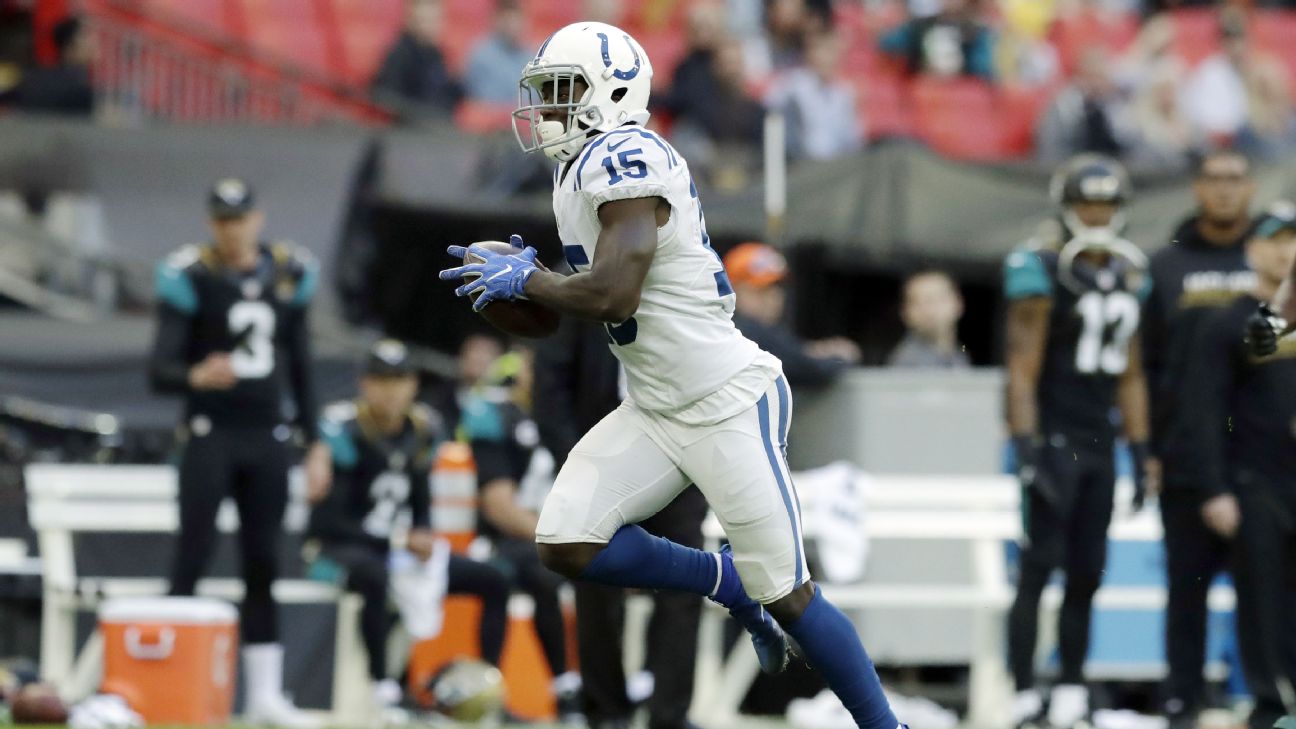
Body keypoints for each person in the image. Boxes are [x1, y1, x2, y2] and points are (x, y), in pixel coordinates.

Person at [441, 21, 905, 729]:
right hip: (655, 406)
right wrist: (504, 296)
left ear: (614, 92)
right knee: (566, 542)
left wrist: (531, 279)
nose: (548, 109)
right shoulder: (579, 172)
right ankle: (724, 580)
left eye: (562, 92)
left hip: (725, 399)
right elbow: (563, 315)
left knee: (791, 595)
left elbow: (612, 294)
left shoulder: (627, 154)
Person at [148, 178, 319, 727]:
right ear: (209, 223)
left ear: (257, 218)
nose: (231, 228)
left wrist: (313, 441)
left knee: (264, 561)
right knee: (192, 553)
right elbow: (160, 370)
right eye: (222, 219)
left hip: (267, 434)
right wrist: (196, 374)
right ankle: (165, 682)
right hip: (210, 432)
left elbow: (301, 367)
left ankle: (264, 696)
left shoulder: (290, 273)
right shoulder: (190, 276)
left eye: (239, 217)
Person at [1001, 155, 1154, 729]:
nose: (1096, 213)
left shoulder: (1128, 272)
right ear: (1066, 204)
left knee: (1088, 571)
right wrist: (1026, 445)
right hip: (1054, 436)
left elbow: (1132, 372)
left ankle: (1069, 686)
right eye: (1088, 201)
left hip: (1098, 442)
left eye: (1107, 203)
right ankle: (1022, 691)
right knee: (1039, 568)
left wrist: (1138, 451)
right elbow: (1022, 365)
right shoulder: (1041, 265)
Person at [302, 340, 511, 712]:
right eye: (382, 380)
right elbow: (331, 521)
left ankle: (485, 686)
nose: (391, 390)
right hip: (342, 547)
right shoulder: (343, 428)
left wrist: (423, 533)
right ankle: (385, 688)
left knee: (492, 580)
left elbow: (419, 499)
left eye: (399, 380)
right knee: (374, 575)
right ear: (365, 384)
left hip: (397, 550)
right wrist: (402, 539)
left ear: (413, 384)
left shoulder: (423, 428)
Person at [533, 315, 707, 729]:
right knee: (595, 583)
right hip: (602, 457)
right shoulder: (578, 276)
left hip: (678, 453)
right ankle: (606, 710)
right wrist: (576, 461)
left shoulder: (689, 267)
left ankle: (670, 714)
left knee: (687, 581)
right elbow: (550, 386)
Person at [1142, 149, 1258, 729]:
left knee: (1268, 594)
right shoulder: (1165, 265)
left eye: (1235, 178)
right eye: (1214, 179)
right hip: (1187, 457)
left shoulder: (1272, 266)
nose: (1225, 189)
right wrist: (1149, 448)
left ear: (1251, 187)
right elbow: (1145, 363)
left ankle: (1267, 701)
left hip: (1261, 461)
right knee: (1186, 592)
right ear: (1196, 188)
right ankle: (1181, 702)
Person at [1184, 205, 1296, 729]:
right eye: (1274, 240)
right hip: (1256, 481)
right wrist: (1215, 488)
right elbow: (1205, 411)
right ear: (1251, 250)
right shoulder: (1231, 322)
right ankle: (1273, 707)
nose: (1285, 251)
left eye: (1293, 240)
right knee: (1263, 603)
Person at [459, 351, 583, 724]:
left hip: (560, 539)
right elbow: (499, 506)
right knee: (532, 571)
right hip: (505, 541)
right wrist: (565, 538)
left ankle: (592, 689)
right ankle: (490, 694)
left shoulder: (571, 417)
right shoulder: (498, 414)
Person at [724, 241, 861, 386]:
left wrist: (814, 351)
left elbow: (790, 351)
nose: (773, 299)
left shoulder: (761, 331)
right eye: (761, 291)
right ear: (735, 291)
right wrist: (841, 357)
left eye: (777, 289)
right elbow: (813, 370)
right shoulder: (744, 330)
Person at [764, 29, 864, 161]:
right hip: (800, 164)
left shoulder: (845, 92)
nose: (827, 58)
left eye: (832, 51)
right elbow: (770, 113)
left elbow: (851, 139)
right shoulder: (791, 85)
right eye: (822, 51)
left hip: (838, 166)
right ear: (810, 54)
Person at [1035, 47, 1137, 165]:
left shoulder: (1119, 107)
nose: (1096, 84)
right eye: (1090, 77)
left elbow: (1132, 147)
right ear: (1078, 78)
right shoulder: (1063, 108)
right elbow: (1050, 150)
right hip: (1071, 167)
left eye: (1100, 77)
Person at [371, 0, 462, 119]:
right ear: (410, 21)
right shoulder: (400, 56)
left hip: (439, 123)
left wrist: (458, 86)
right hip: (413, 128)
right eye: (424, 21)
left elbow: (444, 92)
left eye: (435, 21)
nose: (430, 27)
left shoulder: (436, 53)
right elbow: (389, 100)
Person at [878, 0, 995, 80]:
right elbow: (889, 44)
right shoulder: (921, 25)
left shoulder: (975, 31)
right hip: (923, 90)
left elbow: (982, 69)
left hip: (960, 94)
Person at [5, 15, 93, 116]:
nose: (93, 42)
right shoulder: (81, 90)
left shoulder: (32, 78)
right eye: (86, 36)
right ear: (71, 48)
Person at [888, 270, 969, 369]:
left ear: (958, 303)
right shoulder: (905, 363)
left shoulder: (960, 353)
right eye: (918, 303)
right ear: (904, 312)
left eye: (937, 299)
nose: (929, 310)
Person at [463, 0, 533, 105]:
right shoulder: (481, 56)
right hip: (493, 118)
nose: (513, 26)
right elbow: (485, 101)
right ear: (497, 21)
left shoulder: (531, 56)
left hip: (527, 118)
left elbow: (535, 99)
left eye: (517, 20)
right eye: (508, 21)